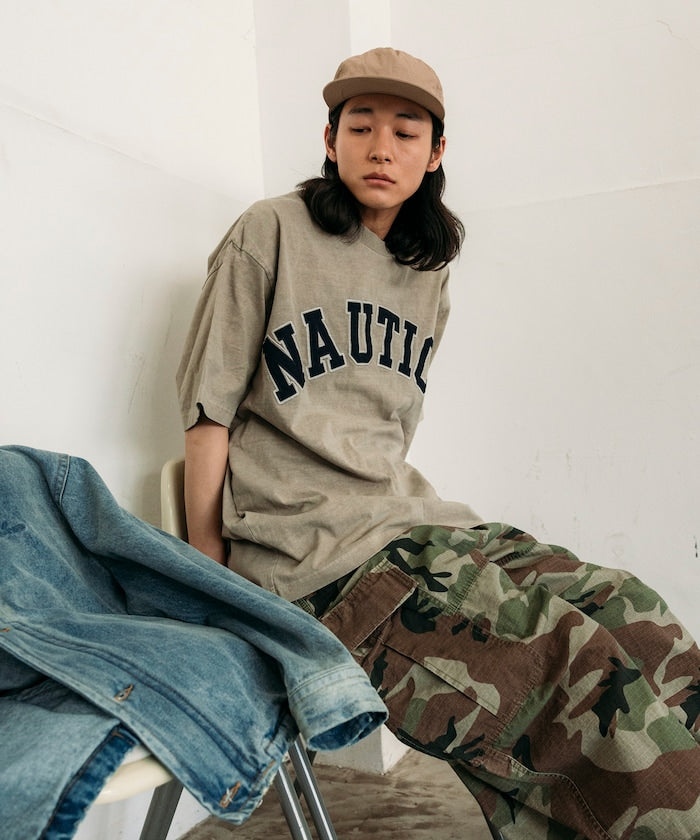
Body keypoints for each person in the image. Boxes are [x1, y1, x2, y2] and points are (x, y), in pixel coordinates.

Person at [176, 47, 700, 839]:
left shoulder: (427, 270)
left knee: (636, 616)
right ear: (330, 139)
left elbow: (390, 427)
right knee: (583, 681)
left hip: (418, 527)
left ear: (436, 151)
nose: (381, 148)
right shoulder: (269, 231)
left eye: (405, 131)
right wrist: (211, 584)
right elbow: (207, 415)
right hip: (318, 561)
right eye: (360, 127)